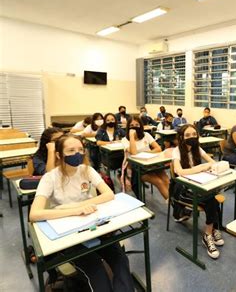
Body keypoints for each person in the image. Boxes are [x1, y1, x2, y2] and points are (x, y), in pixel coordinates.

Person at [29, 135, 134, 292]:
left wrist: (76, 206)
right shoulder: (49, 178)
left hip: (95, 227)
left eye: (80, 150)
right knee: (96, 270)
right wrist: (75, 211)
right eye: (71, 150)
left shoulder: (87, 170)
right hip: (70, 236)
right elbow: (35, 214)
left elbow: (109, 194)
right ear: (59, 155)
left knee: (120, 260)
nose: (77, 154)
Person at [172, 124, 224, 259]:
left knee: (212, 198)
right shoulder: (176, 151)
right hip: (182, 189)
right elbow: (179, 172)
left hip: (198, 184)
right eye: (188, 135)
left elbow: (212, 162)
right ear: (181, 138)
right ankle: (208, 234)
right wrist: (201, 168)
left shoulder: (197, 149)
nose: (192, 137)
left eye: (194, 134)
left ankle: (211, 230)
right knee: (212, 200)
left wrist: (213, 166)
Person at [121, 116, 169, 200]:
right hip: (138, 169)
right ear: (128, 127)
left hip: (152, 163)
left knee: (166, 179)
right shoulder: (125, 140)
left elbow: (158, 149)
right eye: (132, 126)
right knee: (159, 181)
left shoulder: (146, 135)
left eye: (137, 125)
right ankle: (174, 206)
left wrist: (146, 153)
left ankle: (175, 202)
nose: (134, 127)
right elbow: (134, 153)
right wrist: (132, 137)